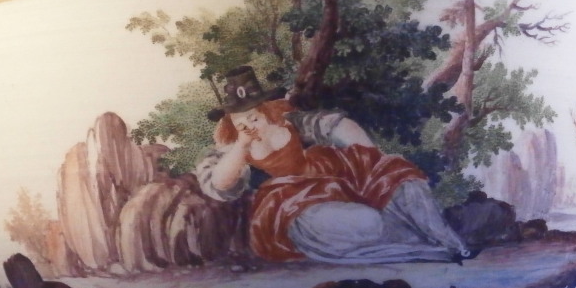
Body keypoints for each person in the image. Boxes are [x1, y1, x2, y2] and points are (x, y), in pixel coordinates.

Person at [196, 66, 473, 265]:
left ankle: (446, 238)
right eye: (240, 119)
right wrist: (242, 145)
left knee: (400, 177)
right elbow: (220, 184)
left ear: (264, 108)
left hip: (327, 175)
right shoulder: (233, 145)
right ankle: (417, 245)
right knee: (366, 222)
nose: (249, 122)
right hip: (292, 199)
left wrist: (372, 156)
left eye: (253, 114)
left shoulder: (286, 120)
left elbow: (332, 124)